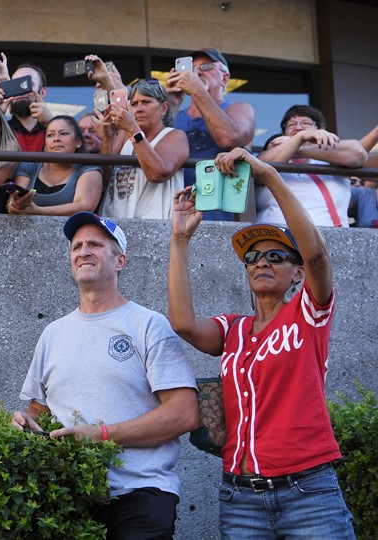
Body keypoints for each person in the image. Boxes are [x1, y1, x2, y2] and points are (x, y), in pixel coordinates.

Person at [168, 148, 355, 539]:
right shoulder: (234, 328)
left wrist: (268, 174)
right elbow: (183, 324)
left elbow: (318, 254)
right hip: (241, 498)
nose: (261, 262)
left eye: (275, 255)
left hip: (308, 493)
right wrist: (180, 240)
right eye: (252, 257)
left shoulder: (308, 313)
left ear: (297, 273)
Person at [13, 211, 198, 539]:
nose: (83, 251)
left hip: (141, 494)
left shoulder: (149, 325)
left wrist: (102, 434)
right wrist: (25, 420)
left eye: (95, 245)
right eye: (77, 246)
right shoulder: (53, 333)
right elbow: (38, 409)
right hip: (68, 493)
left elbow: (184, 414)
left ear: (120, 261)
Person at [166, 48, 255, 221]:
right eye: (192, 67)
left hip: (221, 218)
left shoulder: (239, 109)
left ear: (225, 78)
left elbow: (229, 139)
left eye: (206, 67)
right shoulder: (177, 115)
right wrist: (172, 105)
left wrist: (198, 91)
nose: (197, 71)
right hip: (175, 214)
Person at [256, 105, 367, 227]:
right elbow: (258, 168)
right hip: (276, 239)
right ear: (283, 133)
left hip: (331, 240)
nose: (298, 128)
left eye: (306, 123)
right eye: (291, 124)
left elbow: (357, 153)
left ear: (321, 130)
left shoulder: (333, 159)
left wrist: (299, 146)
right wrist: (299, 139)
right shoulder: (273, 155)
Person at [98, 78, 188, 220]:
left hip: (153, 227)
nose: (139, 109)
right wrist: (108, 138)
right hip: (114, 224)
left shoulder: (175, 136)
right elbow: (104, 177)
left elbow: (157, 174)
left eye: (146, 102)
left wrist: (133, 129)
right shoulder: (125, 135)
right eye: (134, 104)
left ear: (164, 108)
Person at [6, 115, 102, 216]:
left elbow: (84, 206)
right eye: (50, 135)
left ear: (78, 142)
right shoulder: (29, 166)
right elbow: (11, 203)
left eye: (63, 133)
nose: (56, 139)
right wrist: (15, 205)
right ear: (45, 146)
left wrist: (38, 211)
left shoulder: (89, 170)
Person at [0, 56, 52, 152]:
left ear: (43, 92)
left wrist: (50, 122)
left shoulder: (53, 131)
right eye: (16, 85)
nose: (21, 91)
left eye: (27, 84)